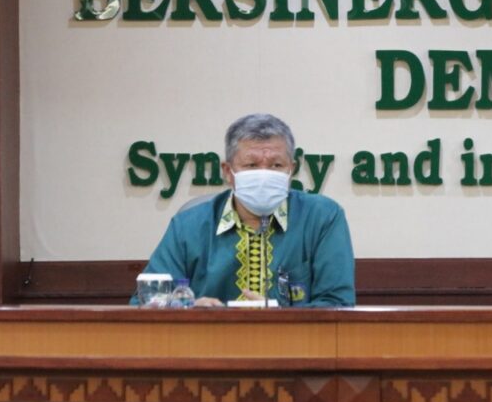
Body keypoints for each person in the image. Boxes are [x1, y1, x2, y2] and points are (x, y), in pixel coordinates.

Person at [137, 113, 355, 307]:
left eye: (276, 165)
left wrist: (279, 315)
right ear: (228, 171)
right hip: (210, 338)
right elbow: (147, 301)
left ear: (291, 169)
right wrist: (189, 309)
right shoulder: (188, 226)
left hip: (294, 339)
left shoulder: (322, 217)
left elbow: (339, 304)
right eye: (251, 165)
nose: (264, 174)